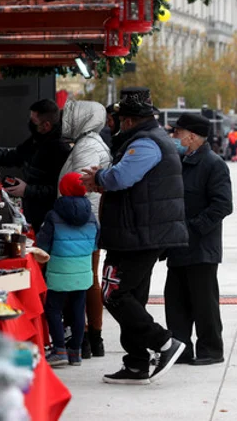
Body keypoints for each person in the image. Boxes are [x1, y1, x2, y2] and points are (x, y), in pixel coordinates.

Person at [81, 90, 189, 385]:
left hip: (138, 233)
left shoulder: (145, 143)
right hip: (139, 232)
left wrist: (99, 178)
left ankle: (165, 343)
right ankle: (137, 364)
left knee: (114, 294)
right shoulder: (148, 139)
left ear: (127, 121)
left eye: (117, 120)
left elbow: (121, 178)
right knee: (133, 298)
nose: (114, 125)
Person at [165, 114, 233, 366]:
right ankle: (180, 350)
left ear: (191, 136)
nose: (174, 137)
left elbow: (223, 205)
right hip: (178, 245)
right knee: (176, 301)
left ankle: (211, 350)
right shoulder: (180, 162)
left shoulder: (213, 164)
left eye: (177, 133)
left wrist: (193, 229)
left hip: (201, 246)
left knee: (204, 302)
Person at [59, 99, 112, 358]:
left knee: (85, 280)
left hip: (82, 225)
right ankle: (91, 337)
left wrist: (75, 222)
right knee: (88, 279)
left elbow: (81, 186)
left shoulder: (87, 146)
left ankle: (90, 338)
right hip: (88, 223)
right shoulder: (89, 143)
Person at [36, 172, 99, 368]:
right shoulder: (91, 215)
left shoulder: (53, 215)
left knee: (54, 308)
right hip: (82, 269)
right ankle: (76, 352)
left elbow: (43, 244)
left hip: (59, 268)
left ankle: (59, 350)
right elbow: (96, 243)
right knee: (79, 310)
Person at [0, 99, 72, 230]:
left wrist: (27, 190)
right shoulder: (37, 140)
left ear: (46, 125)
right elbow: (10, 156)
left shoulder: (60, 149)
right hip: (33, 213)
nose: (30, 124)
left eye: (34, 121)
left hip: (48, 218)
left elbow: (59, 189)